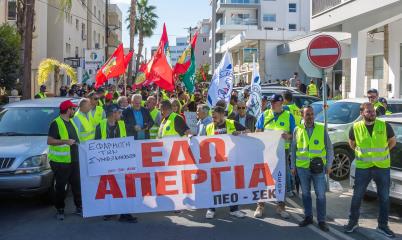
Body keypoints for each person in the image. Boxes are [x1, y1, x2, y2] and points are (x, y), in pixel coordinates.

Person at [344, 102, 396, 238]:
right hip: (363, 167)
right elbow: (351, 143)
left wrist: (384, 152)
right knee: (357, 196)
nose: (372, 113)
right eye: (369, 111)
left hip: (382, 167)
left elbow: (392, 141)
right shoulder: (355, 127)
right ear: (362, 113)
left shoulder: (384, 125)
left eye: (373, 111)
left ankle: (383, 225)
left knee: (384, 197)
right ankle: (353, 222)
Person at [290, 106, 334, 232]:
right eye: (307, 114)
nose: (310, 117)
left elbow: (329, 148)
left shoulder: (321, 128)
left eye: (312, 114)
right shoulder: (297, 130)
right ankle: (308, 217)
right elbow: (293, 150)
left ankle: (321, 220)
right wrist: (293, 166)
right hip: (302, 168)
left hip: (318, 169)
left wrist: (329, 165)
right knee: (306, 194)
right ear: (302, 116)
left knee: (321, 195)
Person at [254, 94, 296, 219]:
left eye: (274, 102)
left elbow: (295, 135)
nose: (271, 104)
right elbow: (257, 132)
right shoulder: (264, 114)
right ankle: (260, 206)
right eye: (270, 102)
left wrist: (288, 136)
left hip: (282, 152)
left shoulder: (289, 116)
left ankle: (281, 206)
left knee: (280, 179)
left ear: (281, 103)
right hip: (266, 152)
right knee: (264, 179)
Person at [94, 104, 138, 223]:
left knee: (124, 187)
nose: (120, 114)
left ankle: (125, 213)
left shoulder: (123, 125)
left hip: (122, 164)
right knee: (110, 188)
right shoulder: (100, 126)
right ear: (113, 113)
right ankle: (110, 211)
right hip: (106, 164)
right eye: (119, 112)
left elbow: (130, 142)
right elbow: (95, 145)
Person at [204, 106, 247, 219]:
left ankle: (234, 209)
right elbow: (204, 142)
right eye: (212, 116)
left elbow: (248, 132)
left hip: (231, 162)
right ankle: (211, 209)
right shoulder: (208, 127)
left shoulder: (233, 123)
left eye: (215, 116)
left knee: (232, 186)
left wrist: (240, 133)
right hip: (215, 162)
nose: (213, 118)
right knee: (214, 186)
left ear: (222, 114)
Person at [47, 100, 81, 220]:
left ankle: (79, 207)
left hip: (74, 159)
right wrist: (66, 141)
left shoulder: (71, 121)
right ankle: (60, 209)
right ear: (68, 110)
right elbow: (50, 141)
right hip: (61, 162)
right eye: (73, 109)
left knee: (77, 185)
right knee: (61, 187)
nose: (74, 111)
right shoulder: (55, 123)